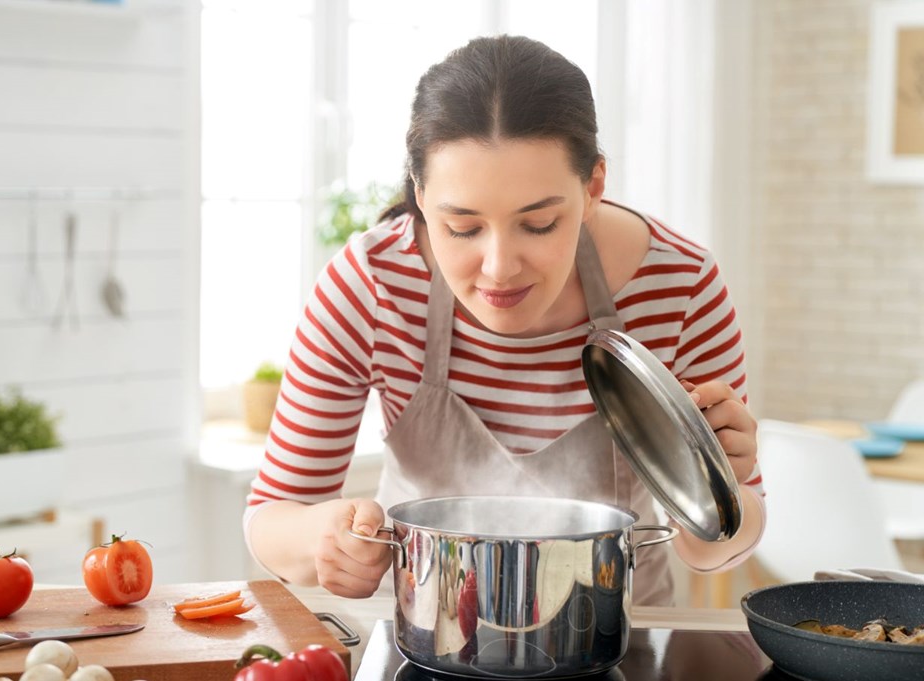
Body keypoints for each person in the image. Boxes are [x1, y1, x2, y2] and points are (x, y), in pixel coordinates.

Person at [242, 34, 765, 606]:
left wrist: (723, 487)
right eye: (462, 227)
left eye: (538, 224)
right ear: (420, 194)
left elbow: (713, 551)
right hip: (426, 636)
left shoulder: (678, 286)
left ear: (592, 187)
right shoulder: (371, 284)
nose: (498, 269)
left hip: (621, 642)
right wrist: (326, 540)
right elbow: (272, 515)